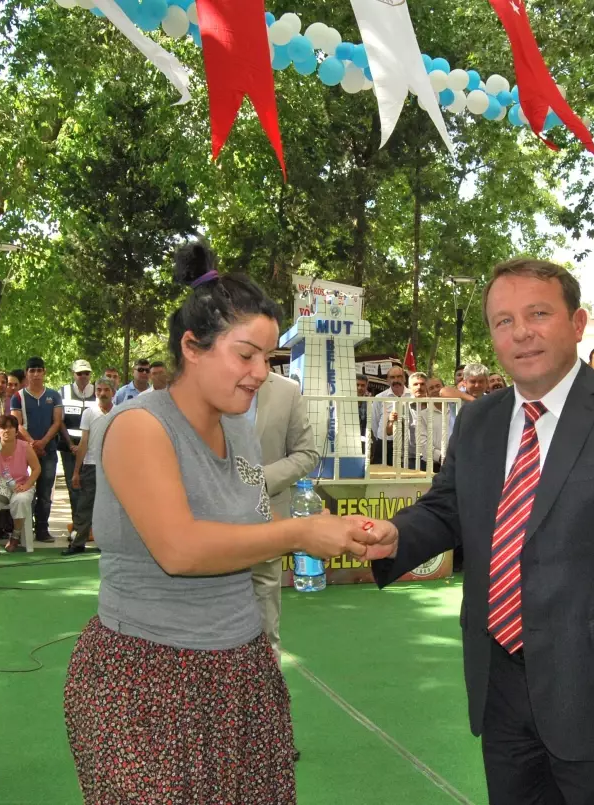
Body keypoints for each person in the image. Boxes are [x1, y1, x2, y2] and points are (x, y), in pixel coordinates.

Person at [353, 257, 594, 804]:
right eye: (503, 321)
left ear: (578, 323)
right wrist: (396, 536)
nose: (521, 332)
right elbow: (448, 508)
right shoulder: (479, 419)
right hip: (502, 684)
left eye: (538, 313)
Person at [62, 241, 376, 804]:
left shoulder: (236, 427)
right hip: (146, 679)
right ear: (192, 347)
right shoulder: (137, 427)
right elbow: (180, 549)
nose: (261, 373)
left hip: (240, 672)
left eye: (269, 358)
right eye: (246, 355)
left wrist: (318, 524)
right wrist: (300, 532)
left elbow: (245, 522)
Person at [248, 368, 318, 660]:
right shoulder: (203, 383)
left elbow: (307, 454)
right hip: (204, 530)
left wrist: (259, 479)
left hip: (266, 525)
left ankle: (268, 700)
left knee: (266, 638)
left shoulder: (287, 390)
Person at [11, 357, 64, 544]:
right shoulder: (18, 397)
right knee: (24, 490)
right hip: (25, 452)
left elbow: (57, 421)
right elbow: (16, 424)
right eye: (31, 370)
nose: (35, 374)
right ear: (26, 373)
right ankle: (22, 530)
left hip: (48, 451)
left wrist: (43, 442)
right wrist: (33, 443)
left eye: (39, 370)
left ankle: (42, 528)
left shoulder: (53, 395)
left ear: (44, 372)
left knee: (45, 492)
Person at [64, 377, 115, 555]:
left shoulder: (119, 412)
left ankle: (107, 543)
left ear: (113, 392)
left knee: (109, 507)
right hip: (91, 466)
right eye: (99, 390)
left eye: (106, 390)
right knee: (84, 506)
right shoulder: (89, 413)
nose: (102, 393)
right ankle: (77, 543)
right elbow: (83, 442)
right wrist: (76, 471)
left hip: (112, 467)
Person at [0, 414, 41, 553]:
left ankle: (15, 536)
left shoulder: (24, 447)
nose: (6, 431)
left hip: (21, 487)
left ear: (16, 431)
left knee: (21, 500)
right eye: (3, 428)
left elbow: (36, 469)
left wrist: (26, 486)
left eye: (10, 428)